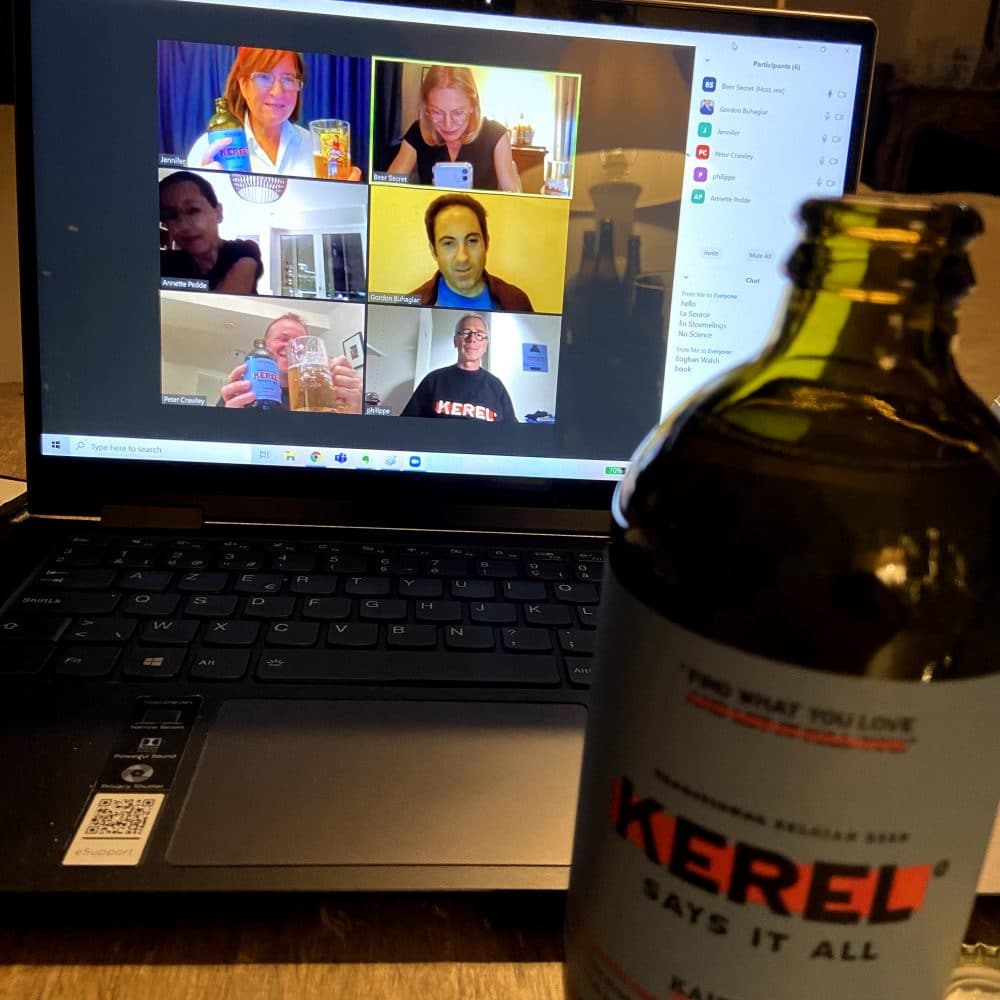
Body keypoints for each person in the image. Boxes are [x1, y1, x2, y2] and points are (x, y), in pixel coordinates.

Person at [186, 47, 362, 180]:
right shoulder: (207, 150)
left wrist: (349, 194)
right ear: (243, 85)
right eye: (264, 77)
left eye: (288, 79)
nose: (277, 92)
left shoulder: (319, 150)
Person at [385, 65, 518, 192]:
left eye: (458, 113)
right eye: (437, 112)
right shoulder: (417, 132)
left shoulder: (495, 134)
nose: (448, 125)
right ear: (426, 107)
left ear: (472, 106)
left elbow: (511, 198)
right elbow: (389, 186)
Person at [410, 193, 533, 312]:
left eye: (472, 241)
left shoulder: (517, 302)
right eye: (449, 243)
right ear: (434, 251)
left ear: (486, 243)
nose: (462, 258)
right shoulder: (409, 308)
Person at [220, 313, 363, 413]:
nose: (290, 346)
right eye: (282, 339)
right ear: (265, 345)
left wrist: (355, 414)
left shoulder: (323, 394)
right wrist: (230, 423)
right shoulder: (242, 392)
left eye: (298, 344)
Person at [160, 171, 262, 294]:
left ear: (218, 212)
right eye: (172, 215)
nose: (184, 225)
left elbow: (227, 302)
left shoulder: (243, 251)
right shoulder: (165, 262)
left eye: (193, 210)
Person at [401, 313, 517, 422]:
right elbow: (406, 425)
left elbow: (513, 432)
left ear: (486, 345)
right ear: (455, 341)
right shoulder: (433, 380)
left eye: (479, 335)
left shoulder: (496, 387)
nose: (472, 339)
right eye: (466, 333)